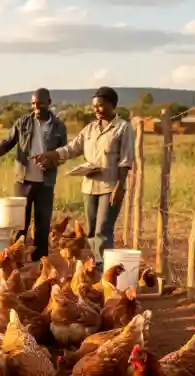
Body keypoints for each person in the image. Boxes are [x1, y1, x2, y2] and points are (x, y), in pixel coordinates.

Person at [33, 86, 135, 270]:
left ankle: (103, 270)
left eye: (101, 106)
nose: (96, 109)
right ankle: (96, 266)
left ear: (113, 105)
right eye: (94, 106)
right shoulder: (90, 129)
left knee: (103, 230)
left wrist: (120, 186)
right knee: (91, 231)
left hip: (110, 186)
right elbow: (72, 148)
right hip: (89, 186)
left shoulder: (123, 128)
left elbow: (126, 160)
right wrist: (50, 155)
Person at [0, 88, 67, 261]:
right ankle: (16, 259)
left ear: (49, 103)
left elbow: (63, 153)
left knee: (42, 224)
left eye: (40, 103)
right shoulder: (23, 122)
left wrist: (50, 161)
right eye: (33, 103)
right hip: (24, 180)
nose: (36, 107)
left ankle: (39, 261)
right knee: (20, 223)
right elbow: (8, 142)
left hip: (46, 181)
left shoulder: (58, 126)